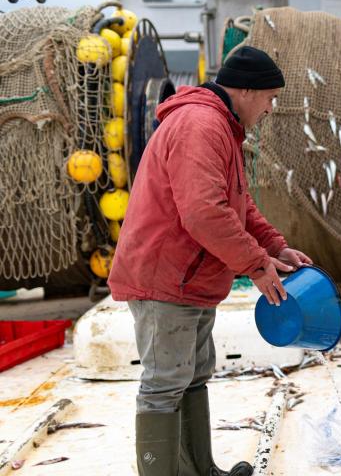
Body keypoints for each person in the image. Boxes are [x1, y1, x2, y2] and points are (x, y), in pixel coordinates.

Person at [108, 46, 313, 476]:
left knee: (194, 375)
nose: (271, 108)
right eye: (270, 97)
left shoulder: (223, 126)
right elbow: (204, 211)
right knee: (164, 385)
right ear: (244, 89)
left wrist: (274, 246)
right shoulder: (201, 125)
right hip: (166, 278)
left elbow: (237, 202)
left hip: (192, 279)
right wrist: (258, 266)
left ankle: (199, 469)